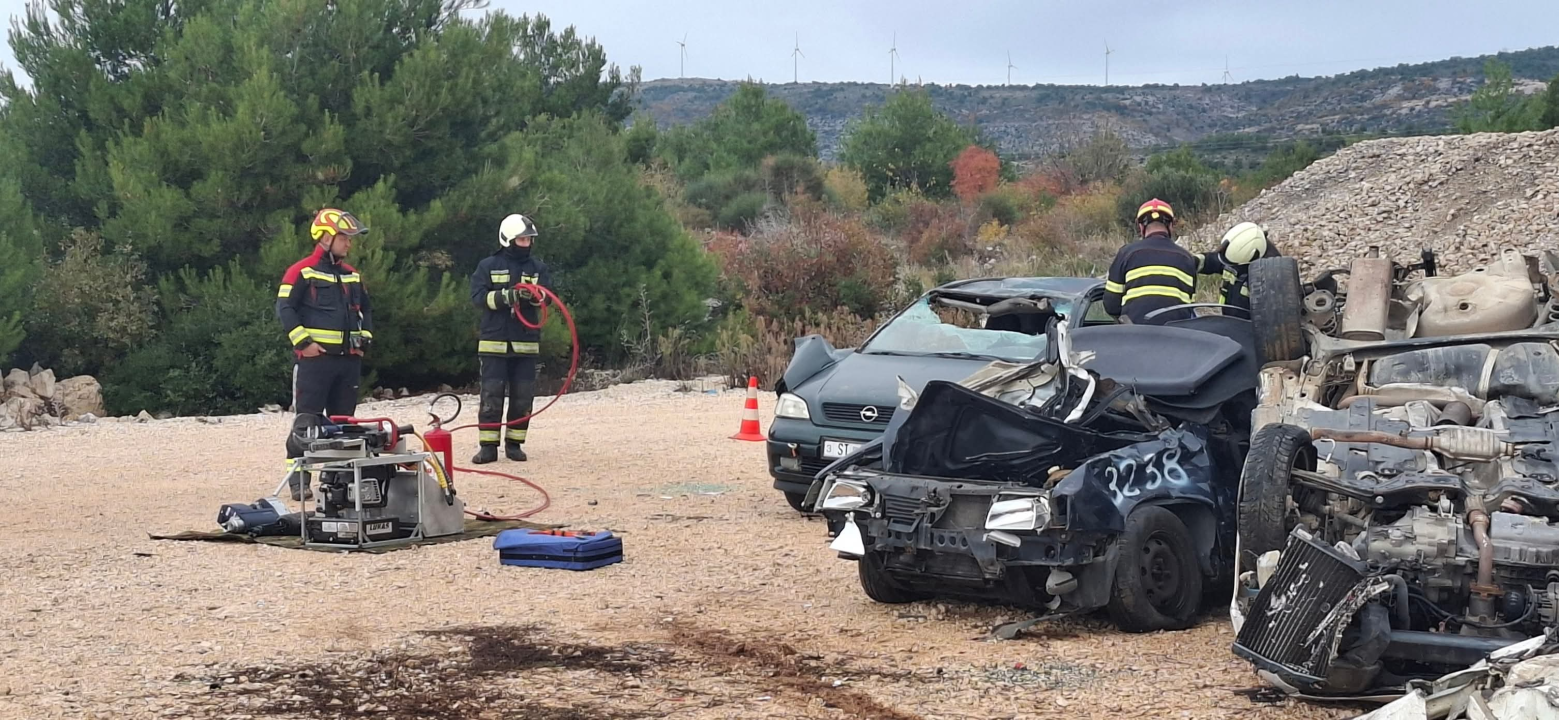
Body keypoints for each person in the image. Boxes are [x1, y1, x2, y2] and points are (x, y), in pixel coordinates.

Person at [276, 208, 372, 499]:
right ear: (325, 237)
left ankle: (335, 483)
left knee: (343, 425)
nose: (349, 243)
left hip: (348, 362)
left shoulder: (353, 275)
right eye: (344, 237)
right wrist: (303, 342)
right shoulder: (301, 270)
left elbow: (366, 310)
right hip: (315, 362)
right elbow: (284, 308)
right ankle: (298, 479)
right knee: (307, 422)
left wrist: (364, 340)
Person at [468, 213, 553, 463]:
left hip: (525, 343)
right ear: (508, 239)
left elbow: (548, 297)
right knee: (491, 395)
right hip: (494, 342)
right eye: (522, 239)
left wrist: (535, 296)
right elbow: (478, 297)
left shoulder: (538, 268)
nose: (526, 243)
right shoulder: (488, 266)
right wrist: (506, 297)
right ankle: (488, 447)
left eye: (529, 239)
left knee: (523, 396)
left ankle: (514, 444)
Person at [1103, 198, 1199, 325]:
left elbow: (1111, 304)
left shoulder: (1126, 253)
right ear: (1170, 225)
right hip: (1176, 337)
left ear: (1141, 226)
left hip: (1136, 335)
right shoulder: (1187, 258)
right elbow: (1189, 308)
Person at [1197, 221, 1282, 315]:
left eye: (1233, 264)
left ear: (1251, 257)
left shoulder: (1272, 279)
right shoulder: (1239, 254)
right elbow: (1214, 261)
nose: (1229, 266)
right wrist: (1190, 261)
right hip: (1229, 323)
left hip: (1250, 328)